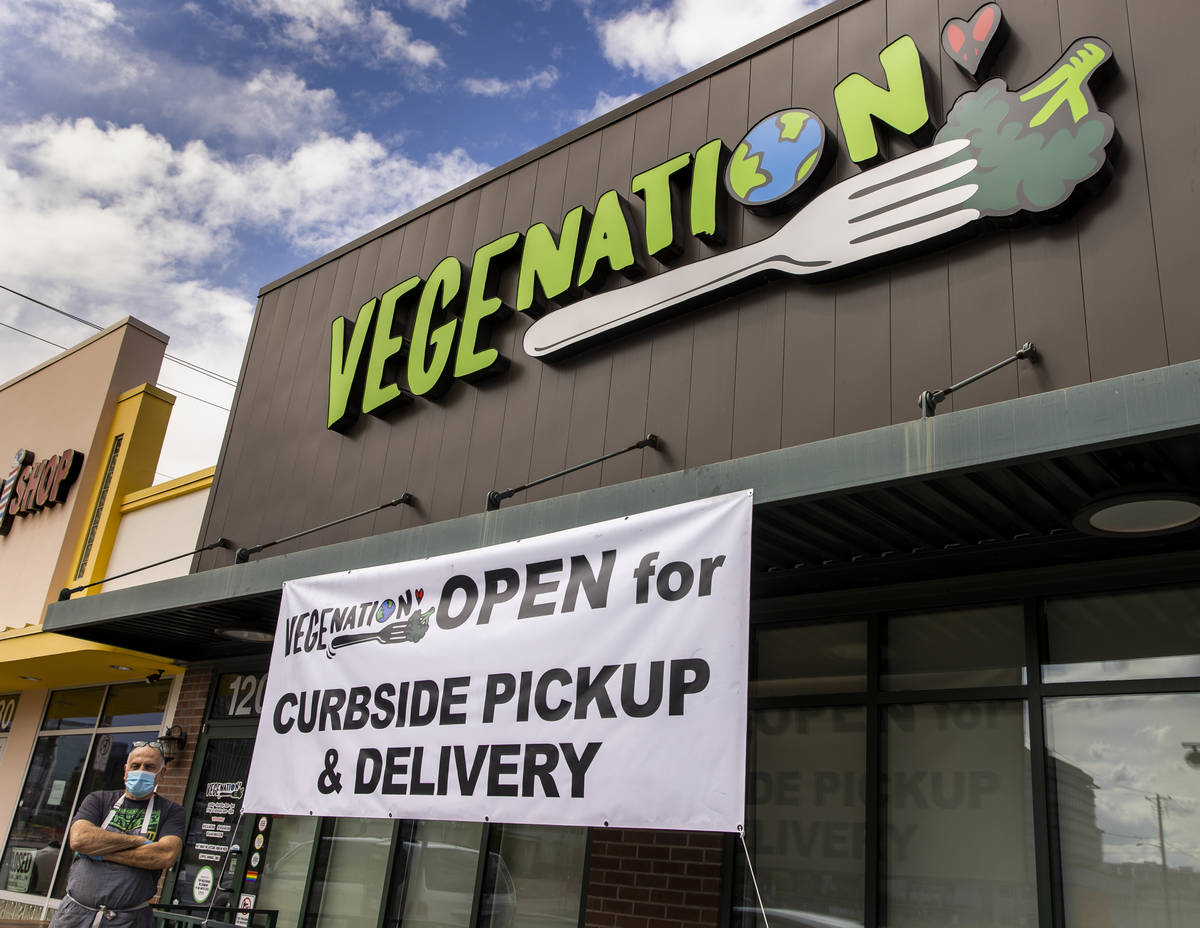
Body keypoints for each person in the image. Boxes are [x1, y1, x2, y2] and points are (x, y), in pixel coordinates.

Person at [50, 741, 185, 928]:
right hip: (73, 916)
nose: (141, 771)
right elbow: (80, 839)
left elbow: (164, 855)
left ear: (161, 774)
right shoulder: (98, 799)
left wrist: (98, 852)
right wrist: (138, 841)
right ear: (125, 771)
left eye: (149, 767)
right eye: (135, 766)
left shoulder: (171, 811)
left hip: (129, 921)